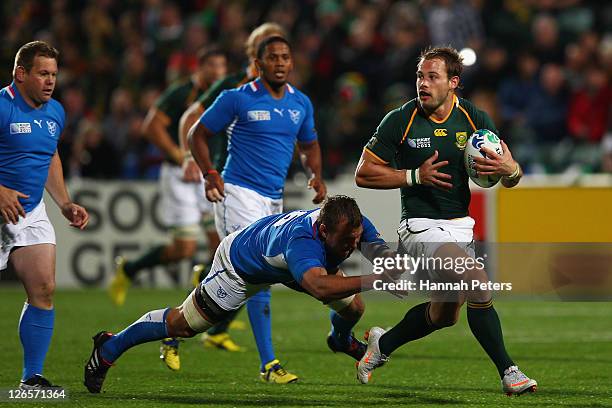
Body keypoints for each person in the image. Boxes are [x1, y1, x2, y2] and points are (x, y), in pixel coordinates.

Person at [354, 46, 537, 396]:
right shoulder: (401, 119)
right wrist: (412, 176)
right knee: (478, 282)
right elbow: (363, 174)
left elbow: (512, 175)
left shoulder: (474, 119)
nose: (423, 83)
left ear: (453, 82)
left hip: (459, 227)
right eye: (420, 76)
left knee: (444, 316)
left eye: (432, 77)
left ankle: (382, 344)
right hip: (419, 227)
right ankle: (509, 372)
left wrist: (509, 169)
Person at [84, 195, 400, 393]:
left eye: (355, 239)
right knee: (183, 325)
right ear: (323, 231)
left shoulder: (350, 224)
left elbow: (383, 257)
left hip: (284, 267)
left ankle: (340, 340)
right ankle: (109, 347)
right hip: (240, 268)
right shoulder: (303, 242)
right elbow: (318, 287)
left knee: (354, 309)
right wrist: (378, 279)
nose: (351, 246)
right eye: (346, 242)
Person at [185, 35, 329, 384]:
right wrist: (209, 174)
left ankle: (176, 326)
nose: (280, 63)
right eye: (272, 58)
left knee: (235, 279)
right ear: (258, 64)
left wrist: (316, 175)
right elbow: (196, 134)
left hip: (271, 200)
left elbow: (310, 144)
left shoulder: (301, 104)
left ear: (291, 63)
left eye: (285, 57)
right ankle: (269, 365)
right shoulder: (237, 97)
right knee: (257, 274)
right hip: (237, 193)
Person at [107, 46, 227, 370]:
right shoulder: (181, 94)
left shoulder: (225, 94)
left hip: (208, 172)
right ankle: (130, 271)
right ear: (200, 68)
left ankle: (201, 313)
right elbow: (150, 126)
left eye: (222, 66)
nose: (218, 72)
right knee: (184, 248)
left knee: (222, 249)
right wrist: (179, 155)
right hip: (180, 174)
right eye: (212, 66)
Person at [178, 22, 284, 361]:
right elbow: (192, 119)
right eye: (266, 51)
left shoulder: (282, 94)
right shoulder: (233, 87)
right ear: (255, 54)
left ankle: (204, 328)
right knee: (254, 266)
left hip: (265, 189)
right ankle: (268, 362)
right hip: (231, 181)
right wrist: (190, 158)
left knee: (240, 268)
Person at [0, 41, 89, 389]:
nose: (50, 81)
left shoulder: (55, 113)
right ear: (21, 74)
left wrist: (64, 201)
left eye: (54, 74)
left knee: (44, 288)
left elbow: (49, 156)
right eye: (43, 73)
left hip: (30, 212)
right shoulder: (2, 107)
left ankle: (31, 377)